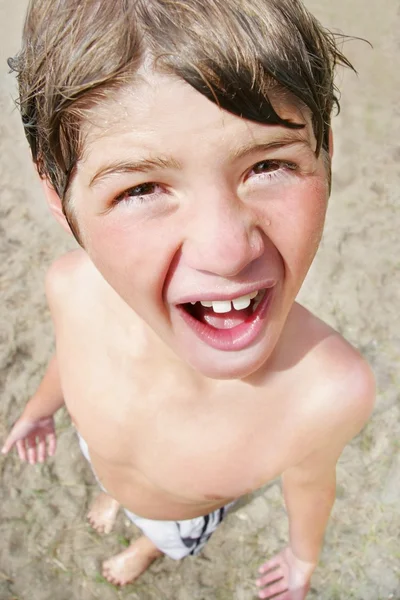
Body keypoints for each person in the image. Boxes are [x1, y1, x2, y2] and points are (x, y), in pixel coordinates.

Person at [1, 1, 375, 598]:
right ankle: (115, 494)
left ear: (324, 151)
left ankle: (150, 541)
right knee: (112, 468)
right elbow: (68, 362)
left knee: (170, 526)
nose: (226, 250)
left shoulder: (327, 393)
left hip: (183, 513)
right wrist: (42, 410)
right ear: (57, 192)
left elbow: (310, 482)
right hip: (100, 449)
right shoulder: (71, 287)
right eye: (142, 187)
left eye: (270, 164)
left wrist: (303, 557)